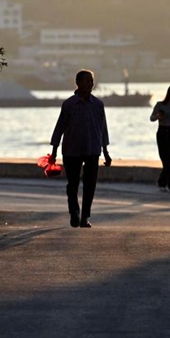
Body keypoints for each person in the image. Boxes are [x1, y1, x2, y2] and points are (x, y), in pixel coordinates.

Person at [50, 69, 112, 228]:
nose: (90, 84)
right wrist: (54, 151)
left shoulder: (98, 104)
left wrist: (106, 152)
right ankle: (74, 213)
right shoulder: (69, 104)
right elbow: (60, 127)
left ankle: (85, 217)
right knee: (73, 184)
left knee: (90, 184)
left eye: (91, 81)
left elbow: (103, 128)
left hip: (92, 148)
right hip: (71, 149)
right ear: (77, 83)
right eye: (86, 81)